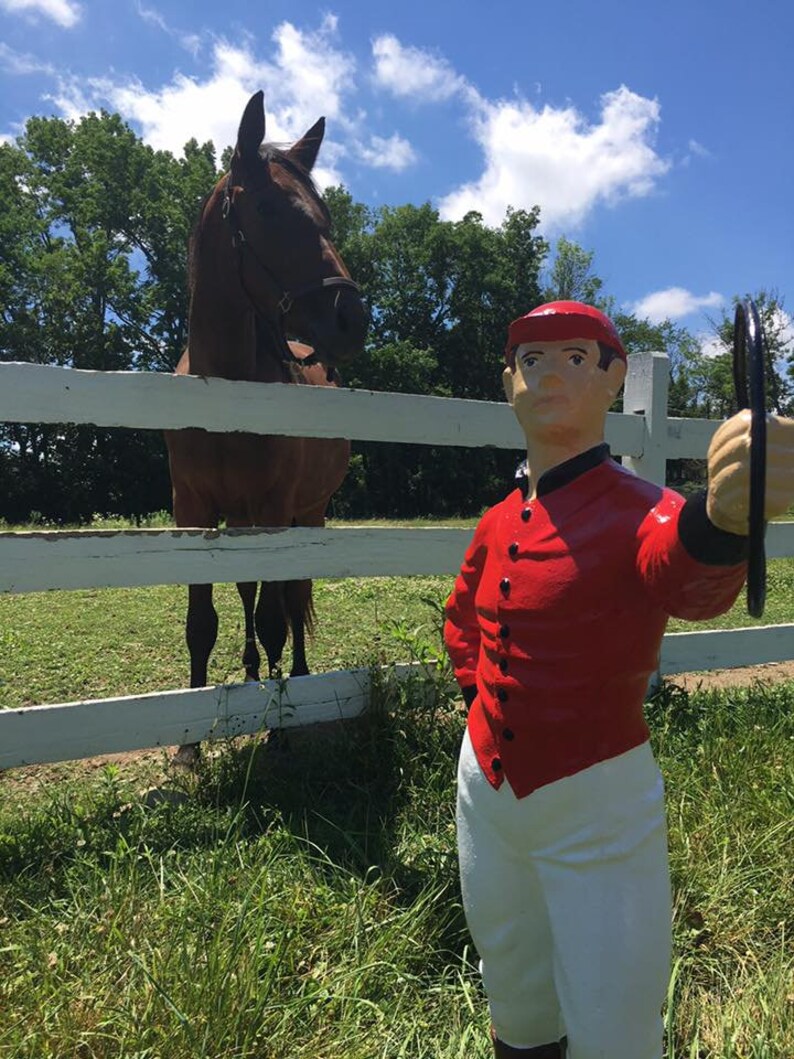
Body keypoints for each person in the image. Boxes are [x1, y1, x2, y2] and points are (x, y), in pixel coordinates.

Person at [443, 301, 794, 1059]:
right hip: (486, 791)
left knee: (615, 1008)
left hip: (595, 800)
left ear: (613, 377)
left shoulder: (641, 509)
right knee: (511, 975)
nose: (549, 376)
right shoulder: (499, 518)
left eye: (574, 357)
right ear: (508, 383)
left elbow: (682, 578)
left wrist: (721, 519)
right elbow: (463, 619)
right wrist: (481, 706)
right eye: (531, 361)